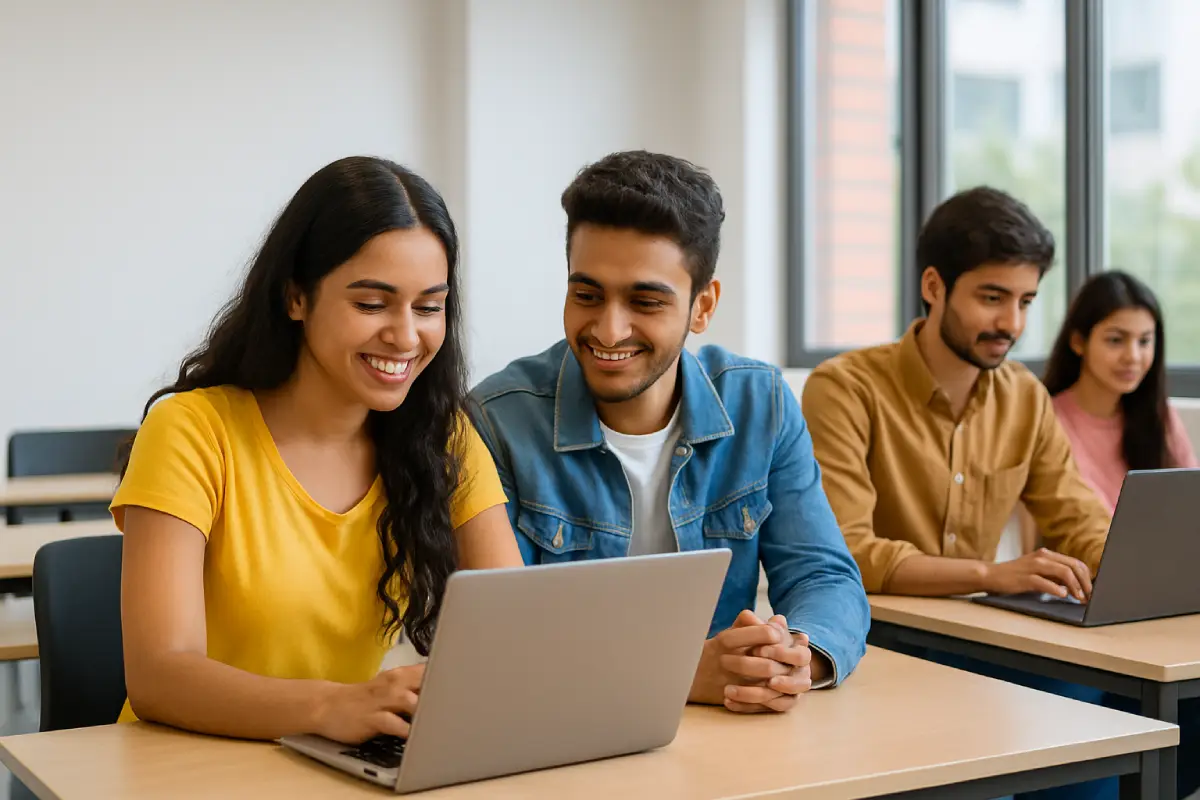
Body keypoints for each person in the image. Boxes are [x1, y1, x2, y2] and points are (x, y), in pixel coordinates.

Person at [112, 156, 523, 744]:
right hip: (184, 764)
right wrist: (332, 707)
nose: (406, 336)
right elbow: (159, 675)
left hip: (326, 762)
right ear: (296, 297)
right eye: (371, 304)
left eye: (429, 306)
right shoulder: (190, 430)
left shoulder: (444, 438)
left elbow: (516, 628)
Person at [467, 150, 870, 715]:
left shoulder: (761, 404)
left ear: (702, 306)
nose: (608, 329)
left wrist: (796, 656)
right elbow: (494, 640)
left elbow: (823, 575)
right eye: (586, 295)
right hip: (563, 735)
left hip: (727, 734)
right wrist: (675, 674)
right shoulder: (495, 421)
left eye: (645, 301)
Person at [802, 186, 1110, 603]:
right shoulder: (845, 389)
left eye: (1026, 301)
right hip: (875, 632)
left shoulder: (1025, 398)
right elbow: (848, 551)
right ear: (933, 287)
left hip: (980, 632)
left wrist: (1128, 563)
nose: (1011, 323)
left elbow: (1079, 521)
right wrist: (991, 574)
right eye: (992, 298)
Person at [1043, 269, 1198, 513]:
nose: (1133, 357)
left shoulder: (1159, 415)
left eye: (1144, 341)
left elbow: (1192, 504)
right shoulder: (1047, 421)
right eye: (1116, 340)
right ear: (1078, 342)